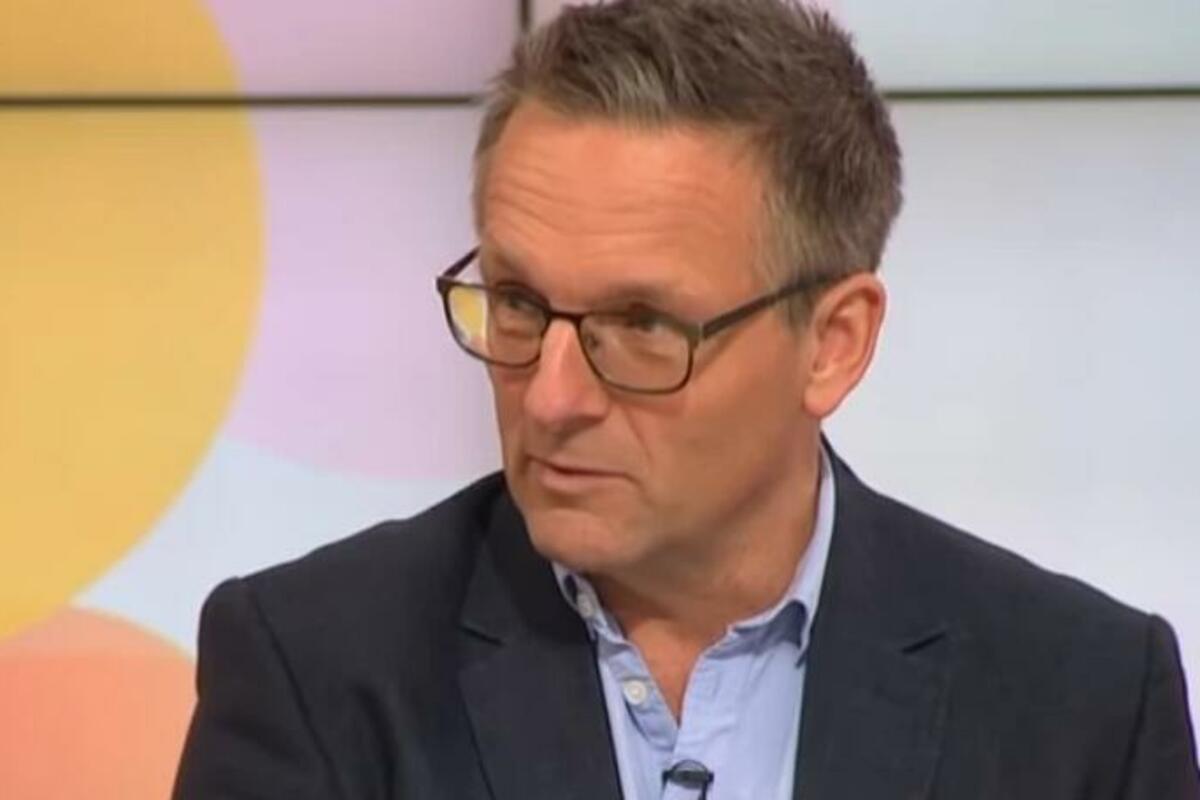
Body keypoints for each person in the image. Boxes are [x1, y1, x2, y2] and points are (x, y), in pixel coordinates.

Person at [172, 1, 1199, 797]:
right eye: (519, 304)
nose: (552, 396)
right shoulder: (317, 668)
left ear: (833, 344)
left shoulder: (1083, 701)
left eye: (643, 324)